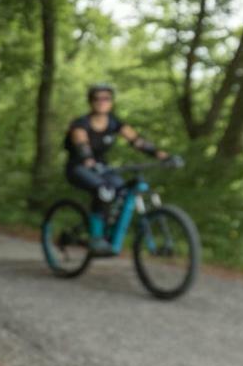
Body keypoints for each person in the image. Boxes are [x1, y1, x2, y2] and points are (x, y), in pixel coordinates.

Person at [64, 84, 169, 254]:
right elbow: (81, 143)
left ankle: (108, 230)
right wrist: (87, 158)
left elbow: (137, 141)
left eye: (106, 98)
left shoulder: (114, 122)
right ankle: (96, 237)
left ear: (111, 101)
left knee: (122, 190)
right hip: (79, 167)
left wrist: (159, 154)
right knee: (103, 189)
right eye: (97, 98)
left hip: (102, 167)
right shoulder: (81, 123)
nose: (101, 102)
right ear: (91, 101)